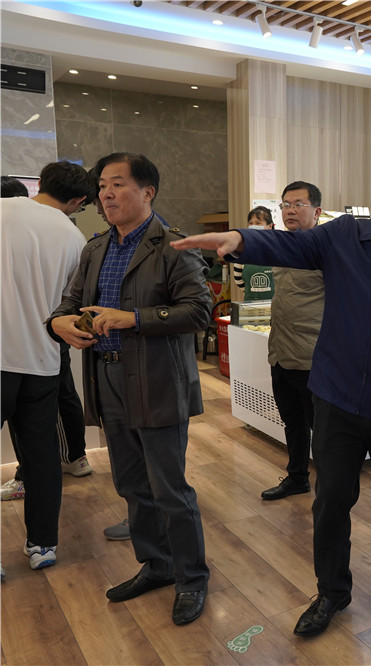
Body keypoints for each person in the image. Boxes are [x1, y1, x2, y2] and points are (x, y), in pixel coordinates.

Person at [171, 152, 371, 636]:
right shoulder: (344, 236)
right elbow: (291, 245)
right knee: (330, 502)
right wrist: (241, 239)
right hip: (338, 399)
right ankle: (331, 591)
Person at [48, 152, 212, 625]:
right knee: (132, 485)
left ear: (147, 192)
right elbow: (69, 303)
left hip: (157, 381)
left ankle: (191, 578)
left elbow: (198, 311)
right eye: (102, 186)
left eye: (118, 184)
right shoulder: (96, 247)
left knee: (169, 489)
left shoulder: (174, 246)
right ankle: (156, 565)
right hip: (107, 377)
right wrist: (58, 323)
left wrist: (134, 318)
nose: (106, 194)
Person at [1, 161, 93, 569]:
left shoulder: (3, 210)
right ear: (78, 200)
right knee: (41, 455)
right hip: (43, 359)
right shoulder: (75, 238)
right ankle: (42, 545)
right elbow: (72, 305)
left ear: (39, 182)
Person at [254, 185, 324, 500]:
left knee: (322, 429)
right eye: (285, 204)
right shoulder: (282, 244)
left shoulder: (328, 250)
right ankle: (297, 477)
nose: (290, 210)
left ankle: (330, 488)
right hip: (280, 352)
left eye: (299, 204)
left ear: (317, 211)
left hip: (312, 357)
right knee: (292, 422)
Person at [232, 206, 276, 302]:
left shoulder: (278, 250)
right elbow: (238, 280)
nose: (253, 226)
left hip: (276, 305)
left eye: (258, 223)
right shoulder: (242, 251)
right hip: (251, 306)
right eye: (251, 223)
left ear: (270, 226)